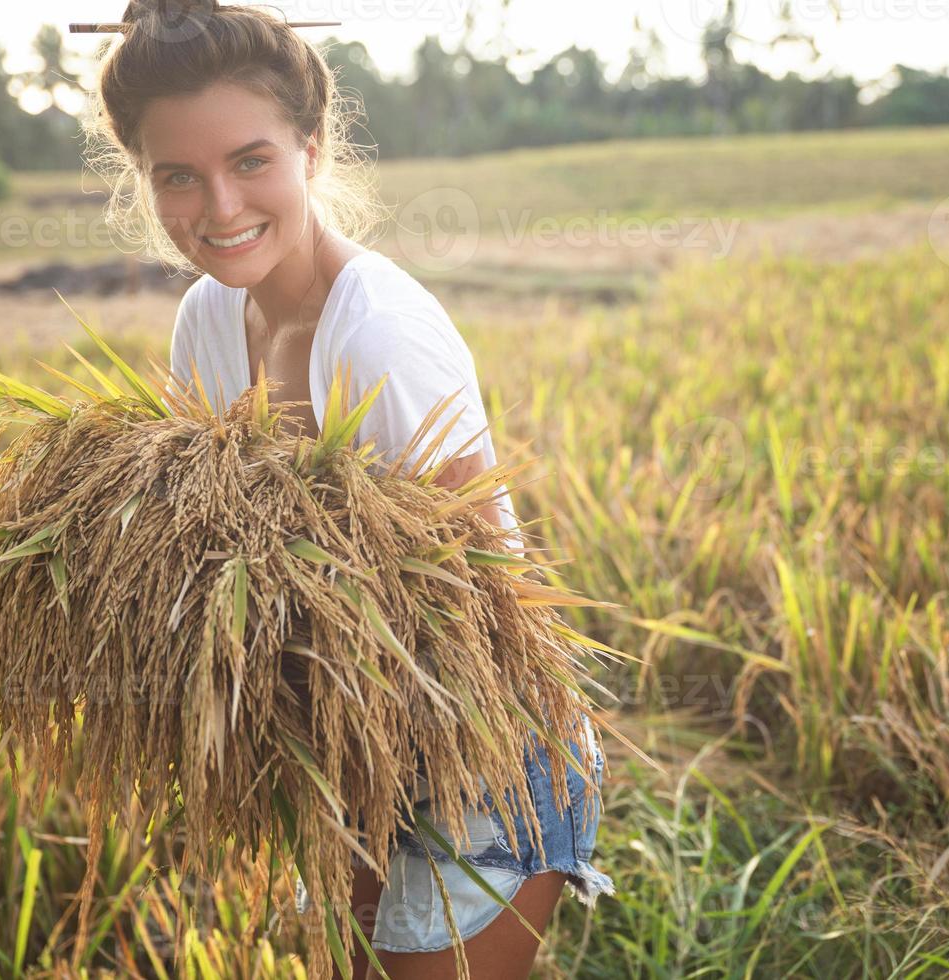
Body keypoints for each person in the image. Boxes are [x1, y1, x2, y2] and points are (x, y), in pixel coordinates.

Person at [80, 3, 614, 976]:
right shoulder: (206, 319)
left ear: (312, 149)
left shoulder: (378, 335)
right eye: (178, 176)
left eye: (250, 161)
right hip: (350, 737)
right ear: (144, 181)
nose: (220, 206)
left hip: (482, 745)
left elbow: (484, 607)